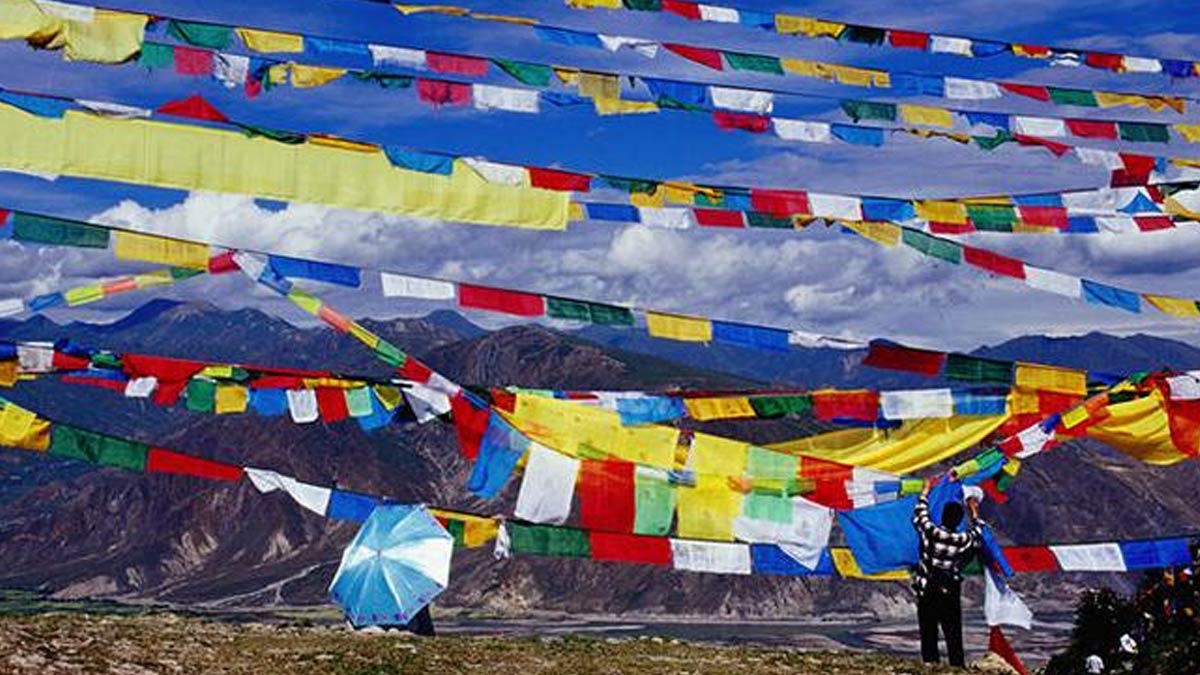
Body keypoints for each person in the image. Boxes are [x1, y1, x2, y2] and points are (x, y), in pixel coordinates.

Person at [911, 481, 985, 668]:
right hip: (950, 590)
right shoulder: (962, 540)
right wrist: (974, 511)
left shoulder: (932, 533)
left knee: (928, 630)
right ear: (959, 521)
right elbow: (977, 533)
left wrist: (925, 493)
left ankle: (931, 664)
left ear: (943, 517)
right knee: (953, 631)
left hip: (928, 587)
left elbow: (920, 514)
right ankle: (957, 667)